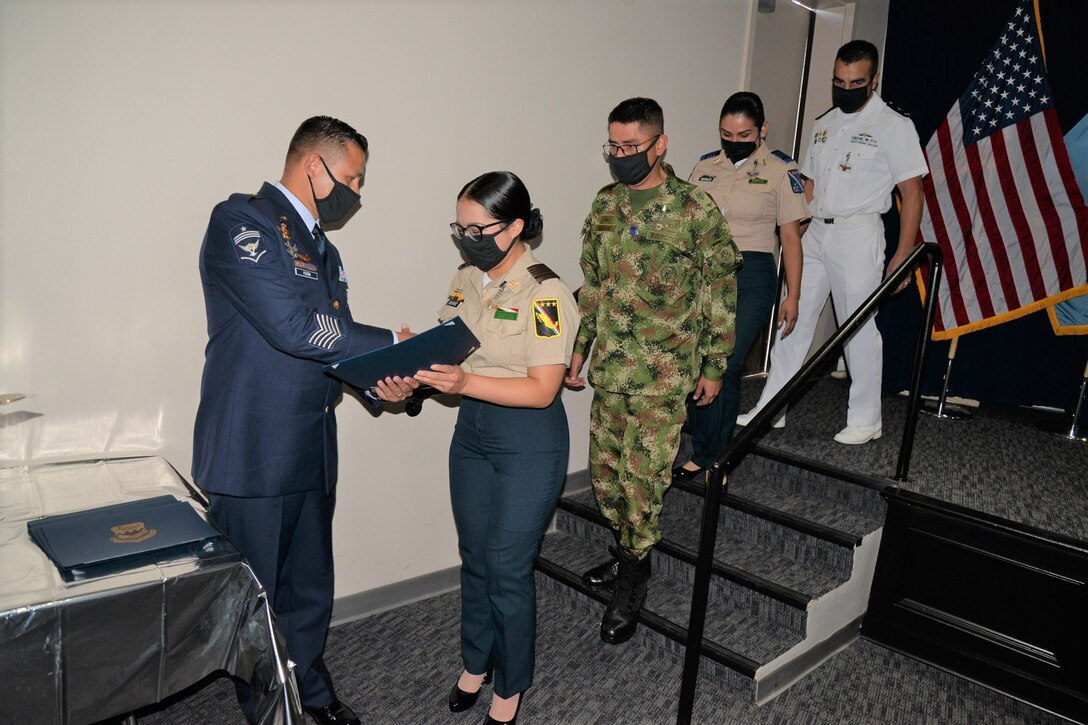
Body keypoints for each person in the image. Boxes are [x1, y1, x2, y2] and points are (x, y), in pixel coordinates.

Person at [192, 115, 412, 725]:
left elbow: (333, 345)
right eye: (352, 178)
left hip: (312, 442)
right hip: (254, 445)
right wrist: (391, 338)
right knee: (256, 596)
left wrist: (386, 382)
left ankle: (311, 689)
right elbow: (292, 328)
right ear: (314, 167)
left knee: (309, 589)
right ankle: (271, 712)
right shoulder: (241, 222)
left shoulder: (325, 249)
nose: (357, 194)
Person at [388, 172, 578, 725]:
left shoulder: (547, 292)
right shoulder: (465, 277)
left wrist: (462, 384)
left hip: (528, 439)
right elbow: (453, 349)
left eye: (478, 227)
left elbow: (543, 389)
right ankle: (476, 660)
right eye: (459, 226)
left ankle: (511, 683)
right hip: (472, 433)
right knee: (474, 557)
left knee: (507, 568)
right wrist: (410, 367)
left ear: (516, 226)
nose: (466, 237)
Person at [565, 97, 740, 645]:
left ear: (659, 144)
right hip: (612, 370)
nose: (619, 156)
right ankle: (627, 552)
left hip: (664, 375)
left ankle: (634, 578)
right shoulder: (605, 205)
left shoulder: (694, 209)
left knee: (641, 482)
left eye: (630, 147)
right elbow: (592, 284)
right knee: (606, 477)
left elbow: (719, 290)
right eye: (612, 147)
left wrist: (715, 364)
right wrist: (579, 348)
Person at [737, 40, 927, 444]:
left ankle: (865, 418)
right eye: (839, 81)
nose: (846, 88)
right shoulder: (825, 122)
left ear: (873, 80)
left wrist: (903, 254)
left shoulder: (894, 125)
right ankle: (773, 406)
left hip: (858, 234)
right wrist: (795, 235)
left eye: (855, 82)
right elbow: (808, 184)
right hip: (816, 231)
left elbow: (913, 192)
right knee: (794, 318)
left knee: (858, 326)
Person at [674, 91, 808, 480]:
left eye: (743, 134)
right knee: (699, 360)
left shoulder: (781, 171)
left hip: (752, 274)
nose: (733, 142)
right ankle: (702, 449)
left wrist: (793, 294)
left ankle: (719, 456)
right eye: (725, 135)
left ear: (762, 130)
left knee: (726, 364)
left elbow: (791, 238)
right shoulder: (704, 167)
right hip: (703, 274)